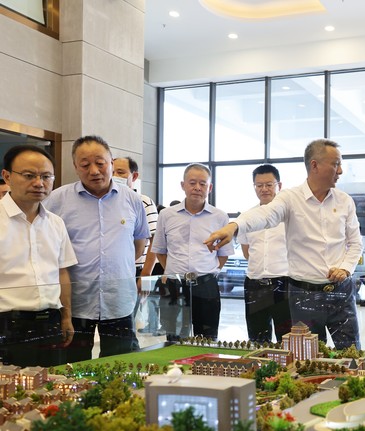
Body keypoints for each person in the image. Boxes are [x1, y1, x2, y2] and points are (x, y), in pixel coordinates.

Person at [204, 139, 363, 349]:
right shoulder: (290, 198)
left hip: (341, 292)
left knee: (351, 352)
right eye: (336, 164)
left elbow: (356, 243)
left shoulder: (344, 201)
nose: (340, 170)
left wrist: (345, 268)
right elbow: (265, 214)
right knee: (307, 357)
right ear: (314, 165)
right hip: (303, 295)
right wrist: (234, 226)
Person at [44, 135, 149, 361]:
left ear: (111, 162)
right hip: (75, 303)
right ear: (75, 167)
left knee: (120, 364)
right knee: (72, 366)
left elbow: (138, 244)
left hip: (119, 300)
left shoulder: (132, 200)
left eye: (100, 163)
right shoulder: (57, 200)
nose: (94, 171)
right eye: (85, 165)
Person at [0, 145, 77, 367]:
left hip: (50, 321)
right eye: (29, 175)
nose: (39, 183)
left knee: (52, 383)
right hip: (7, 323)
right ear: (7, 176)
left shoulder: (56, 223)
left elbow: (62, 272)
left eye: (46, 176)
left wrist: (66, 316)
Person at [152, 163, 232, 341]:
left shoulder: (220, 216)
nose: (197, 187)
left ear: (210, 187)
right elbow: (160, 251)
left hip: (206, 285)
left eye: (203, 184)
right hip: (174, 285)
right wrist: (174, 272)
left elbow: (223, 254)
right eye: (192, 182)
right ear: (183, 185)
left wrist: (207, 271)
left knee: (207, 339)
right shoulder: (166, 215)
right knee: (174, 339)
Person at [238, 164, 292, 345]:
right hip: (255, 284)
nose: (264, 189)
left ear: (279, 185)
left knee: (287, 338)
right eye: (259, 185)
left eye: (269, 184)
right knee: (257, 338)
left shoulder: (290, 216)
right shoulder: (247, 217)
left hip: (285, 283)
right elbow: (247, 252)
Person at [112, 156, 159, 332]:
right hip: (113, 272)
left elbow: (155, 240)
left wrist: (145, 276)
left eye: (121, 172)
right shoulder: (107, 202)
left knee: (128, 324)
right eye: (112, 172)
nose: (115, 176)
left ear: (134, 176)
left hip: (136, 270)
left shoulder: (143, 201)